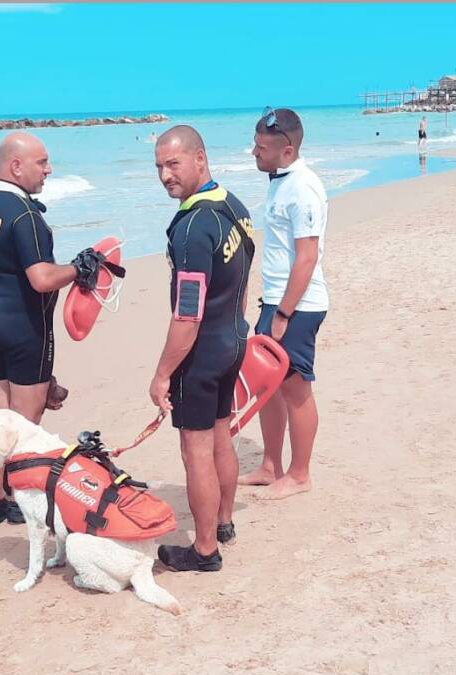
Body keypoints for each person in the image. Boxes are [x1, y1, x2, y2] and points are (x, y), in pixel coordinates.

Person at [0, 132, 104, 525]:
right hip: (24, 329)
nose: (49, 169)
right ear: (15, 166)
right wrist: (79, 268)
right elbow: (41, 279)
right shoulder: (25, 215)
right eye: (42, 162)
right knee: (21, 426)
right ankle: (22, 498)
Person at [149, 125, 255, 572]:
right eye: (158, 167)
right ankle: (225, 521)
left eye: (173, 164)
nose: (165, 176)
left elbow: (187, 316)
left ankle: (205, 549)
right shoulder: (234, 205)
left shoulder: (193, 229)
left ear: (199, 158)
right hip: (232, 340)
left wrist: (161, 374)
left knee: (196, 450)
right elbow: (242, 279)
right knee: (220, 437)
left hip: (204, 352)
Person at [238, 107, 328, 500]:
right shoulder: (279, 179)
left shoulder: (303, 188)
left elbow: (306, 257)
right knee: (267, 388)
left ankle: (300, 473)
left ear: (286, 150)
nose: (254, 153)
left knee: (295, 390)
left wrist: (284, 314)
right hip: (274, 300)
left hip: (299, 306)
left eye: (260, 148)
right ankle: (270, 465)